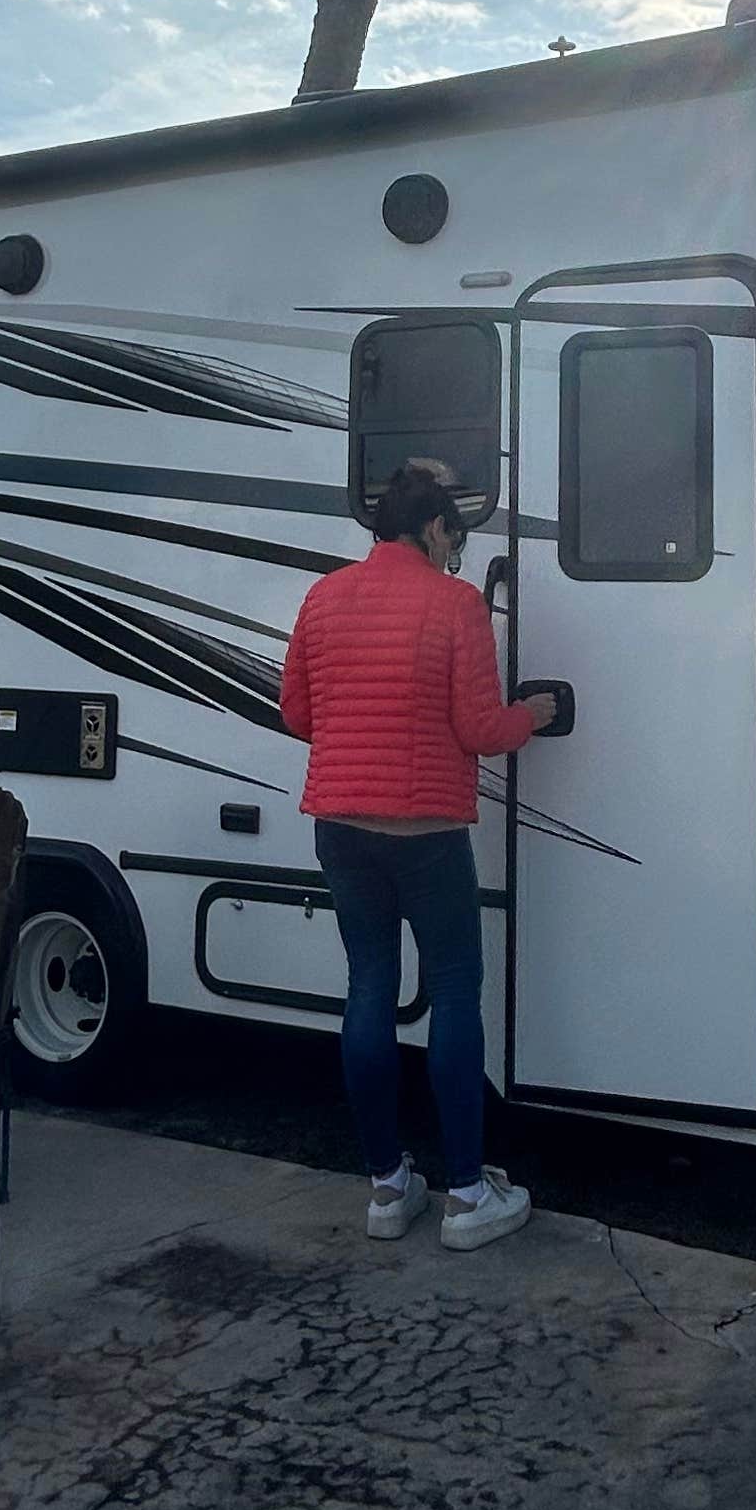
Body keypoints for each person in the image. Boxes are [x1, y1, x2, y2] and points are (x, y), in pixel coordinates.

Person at [278, 454, 541, 1248]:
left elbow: (296, 713)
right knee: (456, 991)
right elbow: (480, 732)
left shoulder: (322, 597)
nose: (456, 554)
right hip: (425, 834)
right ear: (434, 528)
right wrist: (532, 711)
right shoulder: (456, 604)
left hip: (341, 826)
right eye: (454, 539)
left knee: (369, 987)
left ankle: (389, 1190)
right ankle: (466, 1196)